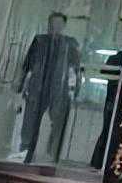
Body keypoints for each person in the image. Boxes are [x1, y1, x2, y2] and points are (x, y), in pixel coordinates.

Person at [15, 12, 81, 163]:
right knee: (30, 120)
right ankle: (25, 151)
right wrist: (21, 85)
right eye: (53, 23)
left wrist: (75, 90)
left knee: (57, 123)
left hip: (59, 89)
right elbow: (27, 64)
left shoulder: (70, 44)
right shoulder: (40, 40)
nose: (55, 26)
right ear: (48, 24)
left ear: (64, 25)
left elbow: (76, 69)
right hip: (38, 87)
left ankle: (52, 154)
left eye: (59, 23)